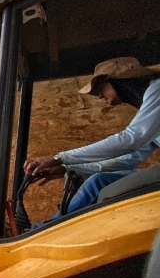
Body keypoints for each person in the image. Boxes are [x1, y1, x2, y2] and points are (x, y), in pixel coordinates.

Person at [25, 57, 160, 221]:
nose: (98, 95)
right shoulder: (150, 110)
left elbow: (130, 139)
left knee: (99, 183)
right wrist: (70, 169)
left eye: (100, 88)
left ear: (116, 80)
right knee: (100, 181)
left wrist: (59, 158)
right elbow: (129, 158)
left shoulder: (157, 89)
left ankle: (45, 229)